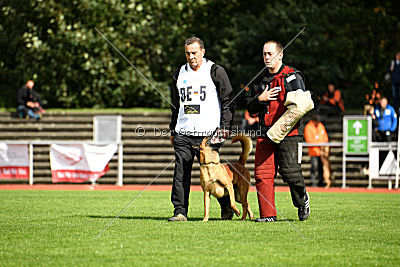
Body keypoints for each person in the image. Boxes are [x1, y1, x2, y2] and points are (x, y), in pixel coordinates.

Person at [168, 37, 235, 221]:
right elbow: (175, 104)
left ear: (203, 52)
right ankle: (180, 211)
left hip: (209, 135)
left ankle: (226, 208)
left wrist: (225, 128)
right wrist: (173, 129)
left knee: (215, 175)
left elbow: (228, 100)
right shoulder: (179, 73)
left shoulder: (215, 71)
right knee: (180, 174)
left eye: (194, 53)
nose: (191, 57)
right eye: (188, 53)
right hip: (183, 133)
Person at [246, 40, 313, 222]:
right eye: (264, 54)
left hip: (289, 134)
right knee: (263, 175)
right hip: (264, 133)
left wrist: (281, 127)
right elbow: (250, 108)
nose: (266, 57)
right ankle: (268, 215)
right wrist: (260, 99)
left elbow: (303, 105)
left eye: (270, 54)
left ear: (280, 55)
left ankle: (302, 200)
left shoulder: (292, 76)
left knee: (291, 172)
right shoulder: (259, 80)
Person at [304, 114, 332, 188]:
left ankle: (320, 181)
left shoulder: (320, 125)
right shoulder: (308, 127)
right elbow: (309, 140)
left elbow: (325, 137)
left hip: (322, 152)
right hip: (313, 151)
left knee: (321, 167)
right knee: (314, 167)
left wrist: (321, 143)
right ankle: (313, 182)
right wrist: (319, 142)